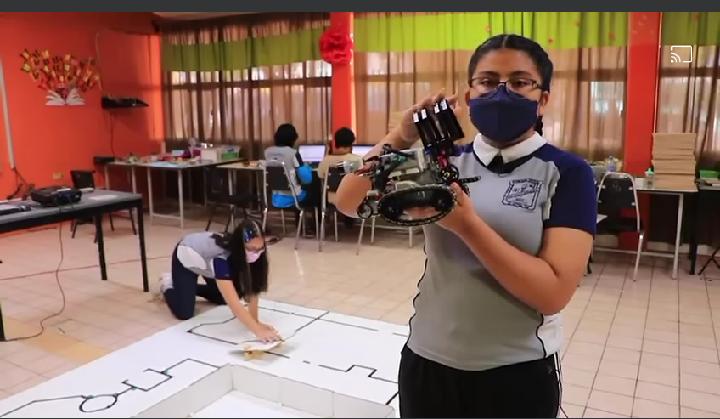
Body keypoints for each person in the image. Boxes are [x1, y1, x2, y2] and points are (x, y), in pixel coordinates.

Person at [335, 34, 596, 418]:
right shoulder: (443, 162)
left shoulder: (567, 172)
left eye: (520, 82)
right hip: (428, 360)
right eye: (488, 81)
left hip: (515, 373)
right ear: (469, 95)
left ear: (543, 98)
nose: (502, 92)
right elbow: (348, 201)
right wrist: (401, 134)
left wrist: (467, 225)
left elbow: (553, 293)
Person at [159, 219, 281, 342]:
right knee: (184, 312)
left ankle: (189, 289)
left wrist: (256, 321)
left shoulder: (253, 255)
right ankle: (169, 284)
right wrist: (257, 331)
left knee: (223, 297)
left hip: (207, 265)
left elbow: (253, 289)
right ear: (240, 245)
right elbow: (233, 303)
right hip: (186, 260)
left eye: (260, 248)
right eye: (252, 248)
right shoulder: (222, 259)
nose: (256, 253)